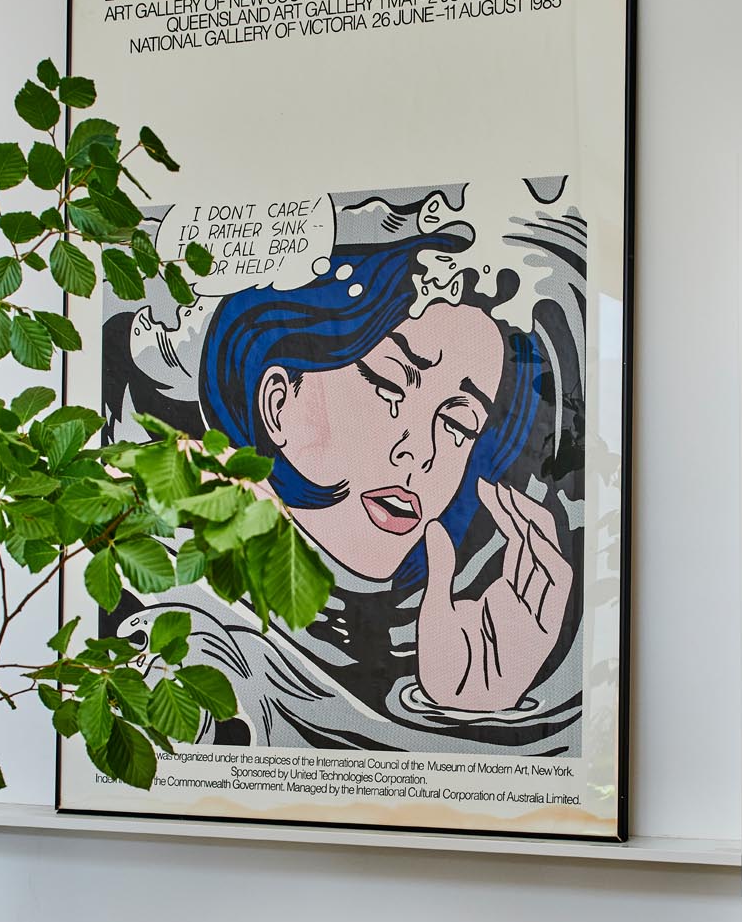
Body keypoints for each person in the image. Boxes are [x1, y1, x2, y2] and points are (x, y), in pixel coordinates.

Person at [196, 233, 574, 716]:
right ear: (277, 402)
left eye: (458, 423)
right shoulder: (173, 589)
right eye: (389, 384)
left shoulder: (407, 639)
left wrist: (473, 707)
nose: (421, 452)